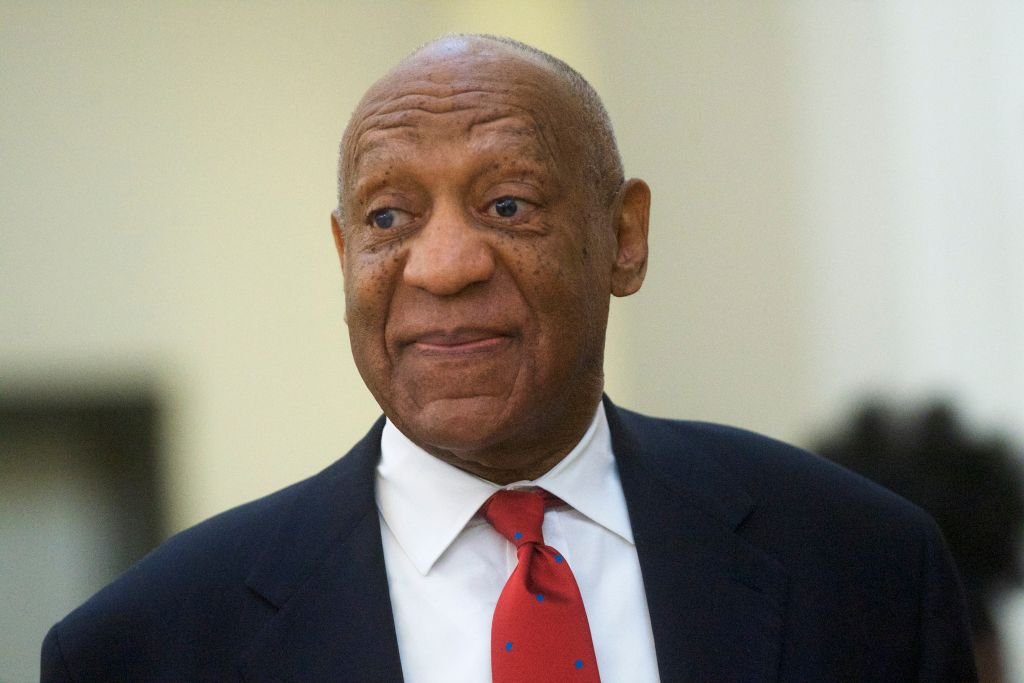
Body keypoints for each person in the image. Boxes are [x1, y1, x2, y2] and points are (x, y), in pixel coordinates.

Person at [41, 34, 977, 682]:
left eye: (508, 205)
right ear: (344, 259)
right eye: (387, 218)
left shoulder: (863, 568)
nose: (443, 266)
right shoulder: (148, 645)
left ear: (625, 237)